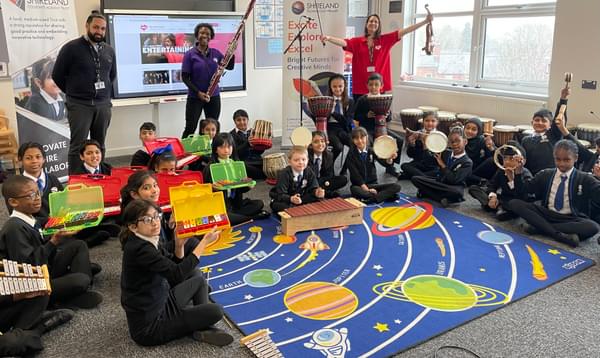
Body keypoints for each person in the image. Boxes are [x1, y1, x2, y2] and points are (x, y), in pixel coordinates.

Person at [120, 199, 233, 347]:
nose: (155, 222)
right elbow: (177, 275)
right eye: (148, 219)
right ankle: (203, 326)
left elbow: (173, 268)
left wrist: (179, 246)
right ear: (133, 227)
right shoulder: (140, 249)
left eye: (156, 216)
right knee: (216, 311)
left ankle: (203, 327)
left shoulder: (147, 238)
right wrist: (203, 243)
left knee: (198, 279)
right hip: (150, 328)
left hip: (162, 300)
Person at [0, 175, 103, 308]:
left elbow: (43, 246)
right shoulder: (14, 228)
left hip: (45, 268)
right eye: (31, 195)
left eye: (38, 192)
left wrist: (62, 224)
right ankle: (59, 299)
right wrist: (54, 241)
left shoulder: (29, 218)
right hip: (33, 283)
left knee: (78, 245)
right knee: (81, 279)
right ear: (14, 202)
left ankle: (74, 290)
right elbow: (29, 268)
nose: (38, 198)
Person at [15, 142, 114, 248]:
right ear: (20, 161)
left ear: (44, 159)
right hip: (40, 226)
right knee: (59, 239)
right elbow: (20, 217)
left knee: (87, 222)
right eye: (29, 158)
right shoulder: (17, 185)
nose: (34, 161)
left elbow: (66, 200)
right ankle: (83, 242)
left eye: (38, 157)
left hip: (61, 221)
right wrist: (49, 220)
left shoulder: (52, 178)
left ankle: (82, 236)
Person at [52, 11, 116, 172]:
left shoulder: (109, 50)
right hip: (80, 105)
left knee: (99, 146)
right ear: (87, 26)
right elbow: (57, 75)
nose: (99, 32)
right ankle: (76, 184)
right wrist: (74, 93)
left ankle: (100, 180)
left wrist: (104, 95)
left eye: (102, 29)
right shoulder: (71, 48)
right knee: (77, 146)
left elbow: (112, 75)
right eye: (95, 27)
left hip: (102, 105)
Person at [506, 140, 600, 247]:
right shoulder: (546, 174)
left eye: (566, 160)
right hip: (547, 213)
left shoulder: (585, 178)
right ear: (553, 157)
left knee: (593, 227)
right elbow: (523, 192)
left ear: (576, 158)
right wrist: (518, 172)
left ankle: (540, 228)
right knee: (514, 203)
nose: (562, 164)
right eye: (558, 159)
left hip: (571, 219)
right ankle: (558, 234)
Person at [323, 13, 432, 101]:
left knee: (378, 116)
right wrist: (329, 38)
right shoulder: (357, 42)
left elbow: (405, 31)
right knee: (361, 117)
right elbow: (343, 42)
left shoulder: (385, 40)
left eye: (376, 21)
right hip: (361, 86)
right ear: (366, 24)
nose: (373, 23)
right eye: (371, 21)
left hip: (378, 86)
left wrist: (425, 21)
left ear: (379, 25)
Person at [181, 23, 234, 138]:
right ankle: (185, 154)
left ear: (211, 37)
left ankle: (212, 153)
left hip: (213, 96)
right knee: (190, 127)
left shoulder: (215, 53)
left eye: (207, 34)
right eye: (201, 33)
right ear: (197, 35)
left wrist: (231, 52)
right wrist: (198, 93)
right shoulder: (189, 54)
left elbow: (229, 66)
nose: (204, 35)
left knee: (212, 128)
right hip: (195, 97)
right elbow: (185, 77)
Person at [203, 133, 269, 225]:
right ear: (215, 149)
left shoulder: (236, 164)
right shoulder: (210, 167)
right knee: (225, 216)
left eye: (229, 146)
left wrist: (248, 186)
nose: (226, 150)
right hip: (220, 206)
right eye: (222, 147)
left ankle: (238, 218)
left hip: (236, 204)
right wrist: (213, 188)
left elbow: (239, 188)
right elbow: (206, 192)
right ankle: (252, 218)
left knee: (259, 204)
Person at [353, 73, 404, 176]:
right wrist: (366, 115)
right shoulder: (363, 99)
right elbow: (356, 116)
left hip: (382, 129)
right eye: (371, 85)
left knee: (399, 140)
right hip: (367, 129)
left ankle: (390, 166)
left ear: (381, 86)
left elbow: (388, 119)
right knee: (369, 143)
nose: (374, 87)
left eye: (376, 84)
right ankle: (369, 168)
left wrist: (387, 115)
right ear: (367, 85)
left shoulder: (385, 99)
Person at [468, 141, 533, 221]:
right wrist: (493, 197)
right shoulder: (501, 170)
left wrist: (512, 180)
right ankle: (497, 206)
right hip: (503, 198)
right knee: (474, 188)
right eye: (505, 158)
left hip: (515, 201)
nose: (507, 162)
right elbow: (492, 185)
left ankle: (497, 208)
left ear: (522, 161)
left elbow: (523, 196)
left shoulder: (525, 173)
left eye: (512, 159)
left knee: (514, 205)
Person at [521, 87, 578, 175]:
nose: (539, 123)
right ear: (532, 122)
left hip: (550, 176)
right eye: (537, 120)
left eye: (544, 121)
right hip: (533, 176)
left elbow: (559, 117)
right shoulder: (526, 140)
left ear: (550, 125)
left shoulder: (553, 135)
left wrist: (563, 99)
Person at [411, 126, 473, 207]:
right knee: (416, 179)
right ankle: (441, 198)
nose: (454, 144)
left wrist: (442, 165)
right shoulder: (446, 152)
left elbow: (454, 180)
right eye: (452, 141)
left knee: (457, 192)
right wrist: (426, 147)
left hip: (452, 186)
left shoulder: (467, 162)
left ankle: (428, 193)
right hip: (439, 182)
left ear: (465, 142)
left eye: (458, 141)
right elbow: (428, 163)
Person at [345, 127, 401, 203]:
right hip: (360, 186)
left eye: (362, 137)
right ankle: (383, 196)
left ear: (367, 137)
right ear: (353, 140)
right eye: (356, 138)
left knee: (397, 186)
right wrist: (366, 188)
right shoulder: (350, 154)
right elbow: (355, 174)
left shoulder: (372, 150)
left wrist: (389, 159)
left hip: (373, 185)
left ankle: (372, 198)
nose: (360, 141)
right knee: (355, 190)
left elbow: (384, 163)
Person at [270, 146, 325, 213]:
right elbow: (280, 194)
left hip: (300, 198)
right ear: (289, 161)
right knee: (280, 206)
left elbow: (313, 187)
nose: (301, 162)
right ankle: (298, 210)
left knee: (319, 200)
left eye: (303, 159)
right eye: (296, 160)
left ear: (308, 160)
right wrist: (291, 199)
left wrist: (317, 192)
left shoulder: (308, 171)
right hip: (286, 199)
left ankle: (299, 209)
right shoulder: (284, 174)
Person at [321, 74, 354, 162]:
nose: (337, 89)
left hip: (344, 129)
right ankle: (328, 168)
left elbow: (347, 122)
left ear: (345, 86)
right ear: (330, 87)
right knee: (338, 147)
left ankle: (343, 171)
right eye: (334, 86)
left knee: (355, 146)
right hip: (330, 128)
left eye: (340, 86)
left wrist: (333, 113)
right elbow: (323, 119)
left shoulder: (350, 101)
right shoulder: (326, 100)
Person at [400, 111, 439, 180]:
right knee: (404, 166)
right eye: (427, 121)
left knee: (438, 171)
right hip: (419, 164)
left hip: (432, 166)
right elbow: (410, 155)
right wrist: (411, 144)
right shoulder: (418, 133)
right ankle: (424, 178)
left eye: (433, 121)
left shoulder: (439, 137)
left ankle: (415, 176)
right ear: (423, 122)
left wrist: (425, 146)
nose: (430, 123)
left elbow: (433, 161)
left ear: (437, 122)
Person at [308, 131, 348, 198]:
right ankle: (326, 193)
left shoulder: (329, 155)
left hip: (323, 182)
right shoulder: (307, 156)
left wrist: (322, 182)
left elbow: (329, 175)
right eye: (316, 142)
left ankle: (321, 191)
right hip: (311, 182)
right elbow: (309, 176)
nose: (320, 144)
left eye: (322, 141)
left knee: (343, 179)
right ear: (311, 144)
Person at [229, 109, 266, 180]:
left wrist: (263, 144)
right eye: (238, 120)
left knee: (270, 165)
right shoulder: (231, 135)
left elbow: (259, 152)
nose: (242, 122)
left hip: (256, 161)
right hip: (243, 162)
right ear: (234, 121)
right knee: (241, 166)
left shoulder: (254, 132)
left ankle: (258, 174)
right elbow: (235, 153)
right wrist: (247, 144)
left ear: (247, 120)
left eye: (244, 119)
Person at [463, 117, 496, 185]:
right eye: (467, 128)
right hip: (465, 169)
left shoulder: (483, 140)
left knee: (492, 160)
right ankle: (479, 181)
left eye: (474, 129)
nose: (469, 131)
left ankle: (476, 180)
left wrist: (490, 148)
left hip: (477, 170)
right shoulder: (461, 139)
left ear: (479, 131)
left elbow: (492, 158)